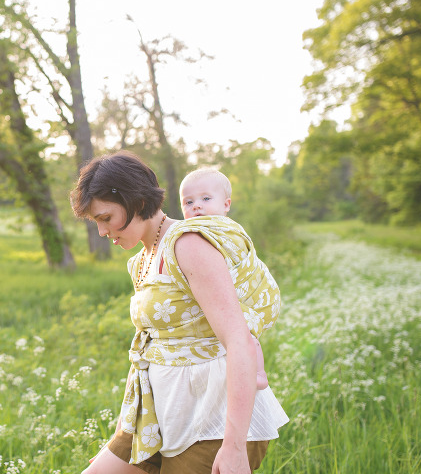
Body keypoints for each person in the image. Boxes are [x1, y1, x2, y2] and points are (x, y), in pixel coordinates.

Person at [70, 151, 288, 474]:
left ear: (135, 201)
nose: (102, 232)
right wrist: (123, 433)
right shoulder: (142, 260)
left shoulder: (187, 246)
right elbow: (146, 351)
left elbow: (239, 340)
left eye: (105, 218)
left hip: (212, 423)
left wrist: (234, 447)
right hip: (160, 416)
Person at [179, 167, 269, 390]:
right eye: (188, 202)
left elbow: (239, 252)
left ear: (226, 205)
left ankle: (258, 372)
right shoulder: (192, 231)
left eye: (206, 198)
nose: (196, 205)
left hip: (239, 287)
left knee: (243, 330)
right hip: (217, 288)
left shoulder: (226, 228)